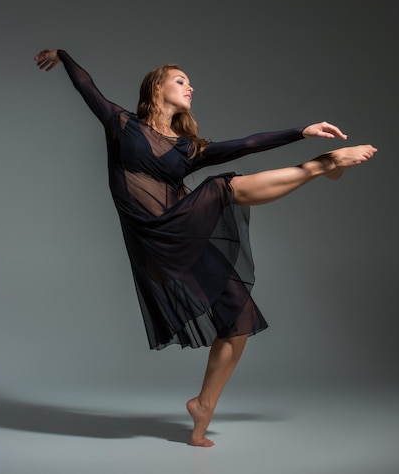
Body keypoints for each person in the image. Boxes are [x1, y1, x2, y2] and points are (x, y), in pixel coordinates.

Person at [34, 48, 376, 447]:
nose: (190, 86)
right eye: (181, 80)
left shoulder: (187, 148)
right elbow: (86, 86)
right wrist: (63, 55)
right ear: (156, 86)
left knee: (239, 320)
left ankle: (203, 406)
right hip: (156, 237)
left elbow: (246, 143)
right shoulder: (121, 123)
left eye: (190, 82)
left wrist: (300, 131)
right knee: (219, 187)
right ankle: (320, 166)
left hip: (185, 238)